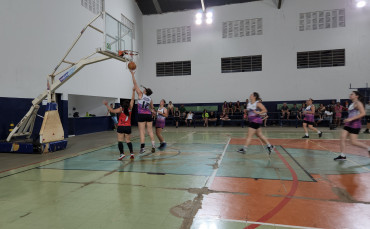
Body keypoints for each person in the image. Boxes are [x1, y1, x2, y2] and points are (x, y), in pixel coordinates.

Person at [334, 91, 370, 160]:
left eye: (352, 94)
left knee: (353, 142)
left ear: (357, 96)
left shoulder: (358, 103)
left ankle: (368, 148)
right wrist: (348, 119)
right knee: (342, 137)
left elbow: (363, 113)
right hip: (348, 124)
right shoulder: (352, 103)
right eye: (350, 94)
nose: (350, 95)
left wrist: (351, 119)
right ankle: (342, 155)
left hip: (355, 124)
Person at [103, 88, 135, 160]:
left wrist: (107, 105)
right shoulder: (130, 108)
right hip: (128, 127)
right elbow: (133, 99)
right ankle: (132, 153)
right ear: (128, 104)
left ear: (123, 105)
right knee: (128, 140)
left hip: (121, 126)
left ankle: (122, 154)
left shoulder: (121, 109)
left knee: (120, 141)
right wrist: (133, 91)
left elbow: (112, 110)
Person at [130, 70, 156, 154]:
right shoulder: (150, 99)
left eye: (144, 89)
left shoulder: (140, 94)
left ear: (145, 91)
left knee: (142, 132)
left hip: (141, 115)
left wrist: (133, 75)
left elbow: (135, 84)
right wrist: (153, 111)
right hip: (148, 115)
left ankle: (142, 148)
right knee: (150, 131)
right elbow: (152, 108)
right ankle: (153, 145)